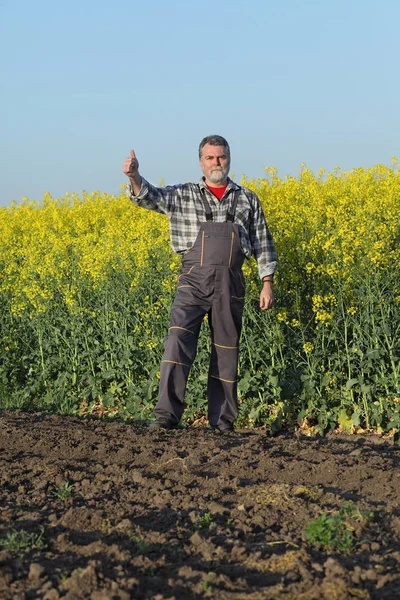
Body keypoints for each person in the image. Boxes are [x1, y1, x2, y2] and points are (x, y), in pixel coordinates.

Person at [123, 135, 277, 432]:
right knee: (177, 342)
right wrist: (134, 176)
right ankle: (166, 415)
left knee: (226, 350)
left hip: (231, 283)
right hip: (193, 281)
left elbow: (263, 243)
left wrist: (266, 282)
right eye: (210, 158)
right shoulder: (183, 194)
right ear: (201, 162)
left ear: (229, 159)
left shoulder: (247, 198)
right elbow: (149, 196)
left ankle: (222, 422)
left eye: (221, 157)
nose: (216, 162)